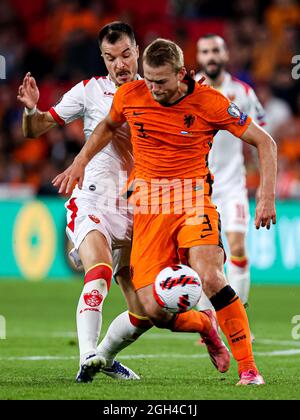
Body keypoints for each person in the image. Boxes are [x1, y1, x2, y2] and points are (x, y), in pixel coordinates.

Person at [53, 38, 277, 385]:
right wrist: (80, 160)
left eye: (160, 81)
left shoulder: (210, 101)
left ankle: (248, 369)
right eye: (148, 79)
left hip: (192, 201)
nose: (152, 88)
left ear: (181, 73)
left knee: (211, 275)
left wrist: (266, 196)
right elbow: (109, 126)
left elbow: (265, 141)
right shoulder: (132, 94)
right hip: (148, 207)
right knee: (153, 310)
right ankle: (205, 325)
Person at [17, 21, 155, 383]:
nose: (119, 64)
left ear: (138, 50)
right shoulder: (90, 91)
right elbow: (38, 128)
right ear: (103, 59)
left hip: (137, 210)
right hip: (93, 199)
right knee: (98, 272)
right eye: (110, 58)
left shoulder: (158, 91)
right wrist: (32, 111)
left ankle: (105, 357)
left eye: (125, 54)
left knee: (145, 312)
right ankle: (87, 357)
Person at [194, 34, 266, 322]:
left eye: (215, 51)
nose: (211, 56)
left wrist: (263, 184)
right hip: (198, 186)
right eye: (205, 51)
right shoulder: (191, 89)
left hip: (233, 185)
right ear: (199, 57)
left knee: (236, 247)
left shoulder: (243, 92)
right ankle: (208, 321)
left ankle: (237, 319)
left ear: (225, 55)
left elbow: (262, 138)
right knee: (201, 256)